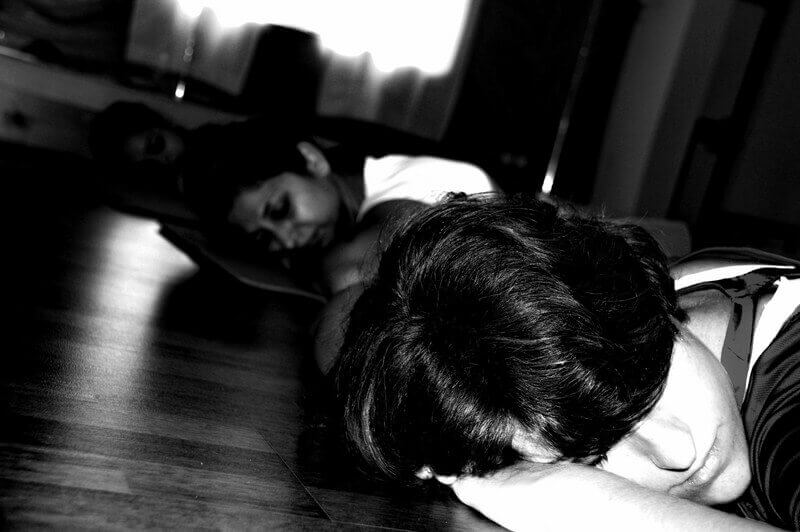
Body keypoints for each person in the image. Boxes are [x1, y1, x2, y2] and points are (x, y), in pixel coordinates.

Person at [327, 193, 799, 530]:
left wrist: (581, 503)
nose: (679, 452)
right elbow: (341, 318)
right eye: (596, 458)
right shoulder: (654, 291)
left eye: (650, 379)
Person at [89, 101, 497, 294]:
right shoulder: (351, 203)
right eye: (265, 237)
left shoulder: (412, 184)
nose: (286, 239)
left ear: (312, 160)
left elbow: (347, 273)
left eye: (280, 209)